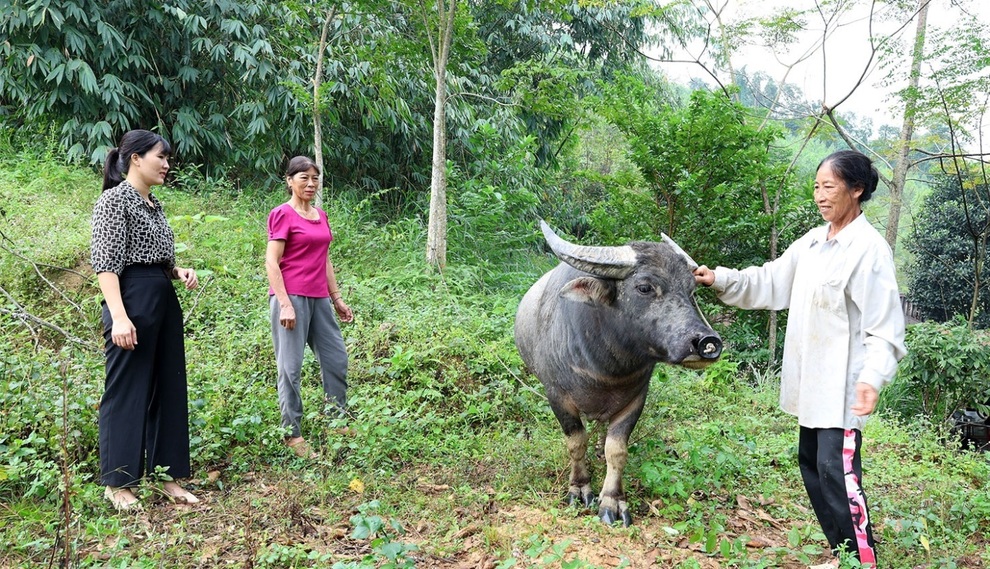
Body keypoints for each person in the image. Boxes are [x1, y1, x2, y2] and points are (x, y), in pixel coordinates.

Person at [693, 150, 906, 568]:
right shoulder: (811, 242)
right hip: (811, 384)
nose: (820, 196)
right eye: (816, 186)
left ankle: (863, 562)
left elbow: (885, 327)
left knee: (837, 477)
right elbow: (770, 280)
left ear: (856, 189)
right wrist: (720, 279)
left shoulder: (868, 250)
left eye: (829, 187)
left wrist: (872, 378)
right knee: (813, 469)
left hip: (843, 391)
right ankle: (843, 556)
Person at [91, 129, 201, 510]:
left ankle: (167, 476)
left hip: (162, 298)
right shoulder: (113, 201)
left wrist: (177, 270)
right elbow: (106, 264)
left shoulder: (154, 205)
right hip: (130, 299)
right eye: (161, 157)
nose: (167, 165)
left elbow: (154, 256)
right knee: (127, 389)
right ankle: (118, 483)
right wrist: (119, 317)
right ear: (135, 158)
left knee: (168, 387)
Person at [265, 156, 353, 458]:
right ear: (289, 180)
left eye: (315, 178)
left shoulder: (321, 215)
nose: (310, 183)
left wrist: (337, 297)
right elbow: (271, 262)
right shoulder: (282, 214)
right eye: (303, 177)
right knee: (290, 368)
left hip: (319, 299)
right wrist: (285, 304)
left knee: (336, 358)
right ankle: (292, 434)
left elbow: (324, 258)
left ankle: (337, 421)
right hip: (290, 298)